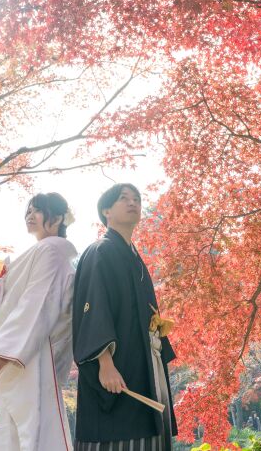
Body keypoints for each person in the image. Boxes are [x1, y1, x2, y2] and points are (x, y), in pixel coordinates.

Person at [73, 183, 177, 451]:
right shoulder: (100, 251)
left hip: (144, 358)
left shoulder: (135, 257)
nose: (133, 203)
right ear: (106, 211)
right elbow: (94, 306)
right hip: (115, 363)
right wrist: (105, 363)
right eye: (123, 198)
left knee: (149, 427)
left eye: (137, 199)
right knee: (119, 429)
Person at [0, 193, 77, 451]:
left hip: (31, 352)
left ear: (58, 218)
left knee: (29, 427)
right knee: (13, 426)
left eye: (38, 211)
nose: (30, 216)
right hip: (20, 349)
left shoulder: (52, 251)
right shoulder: (43, 251)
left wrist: (6, 348)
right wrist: (2, 347)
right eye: (28, 211)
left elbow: (38, 301)